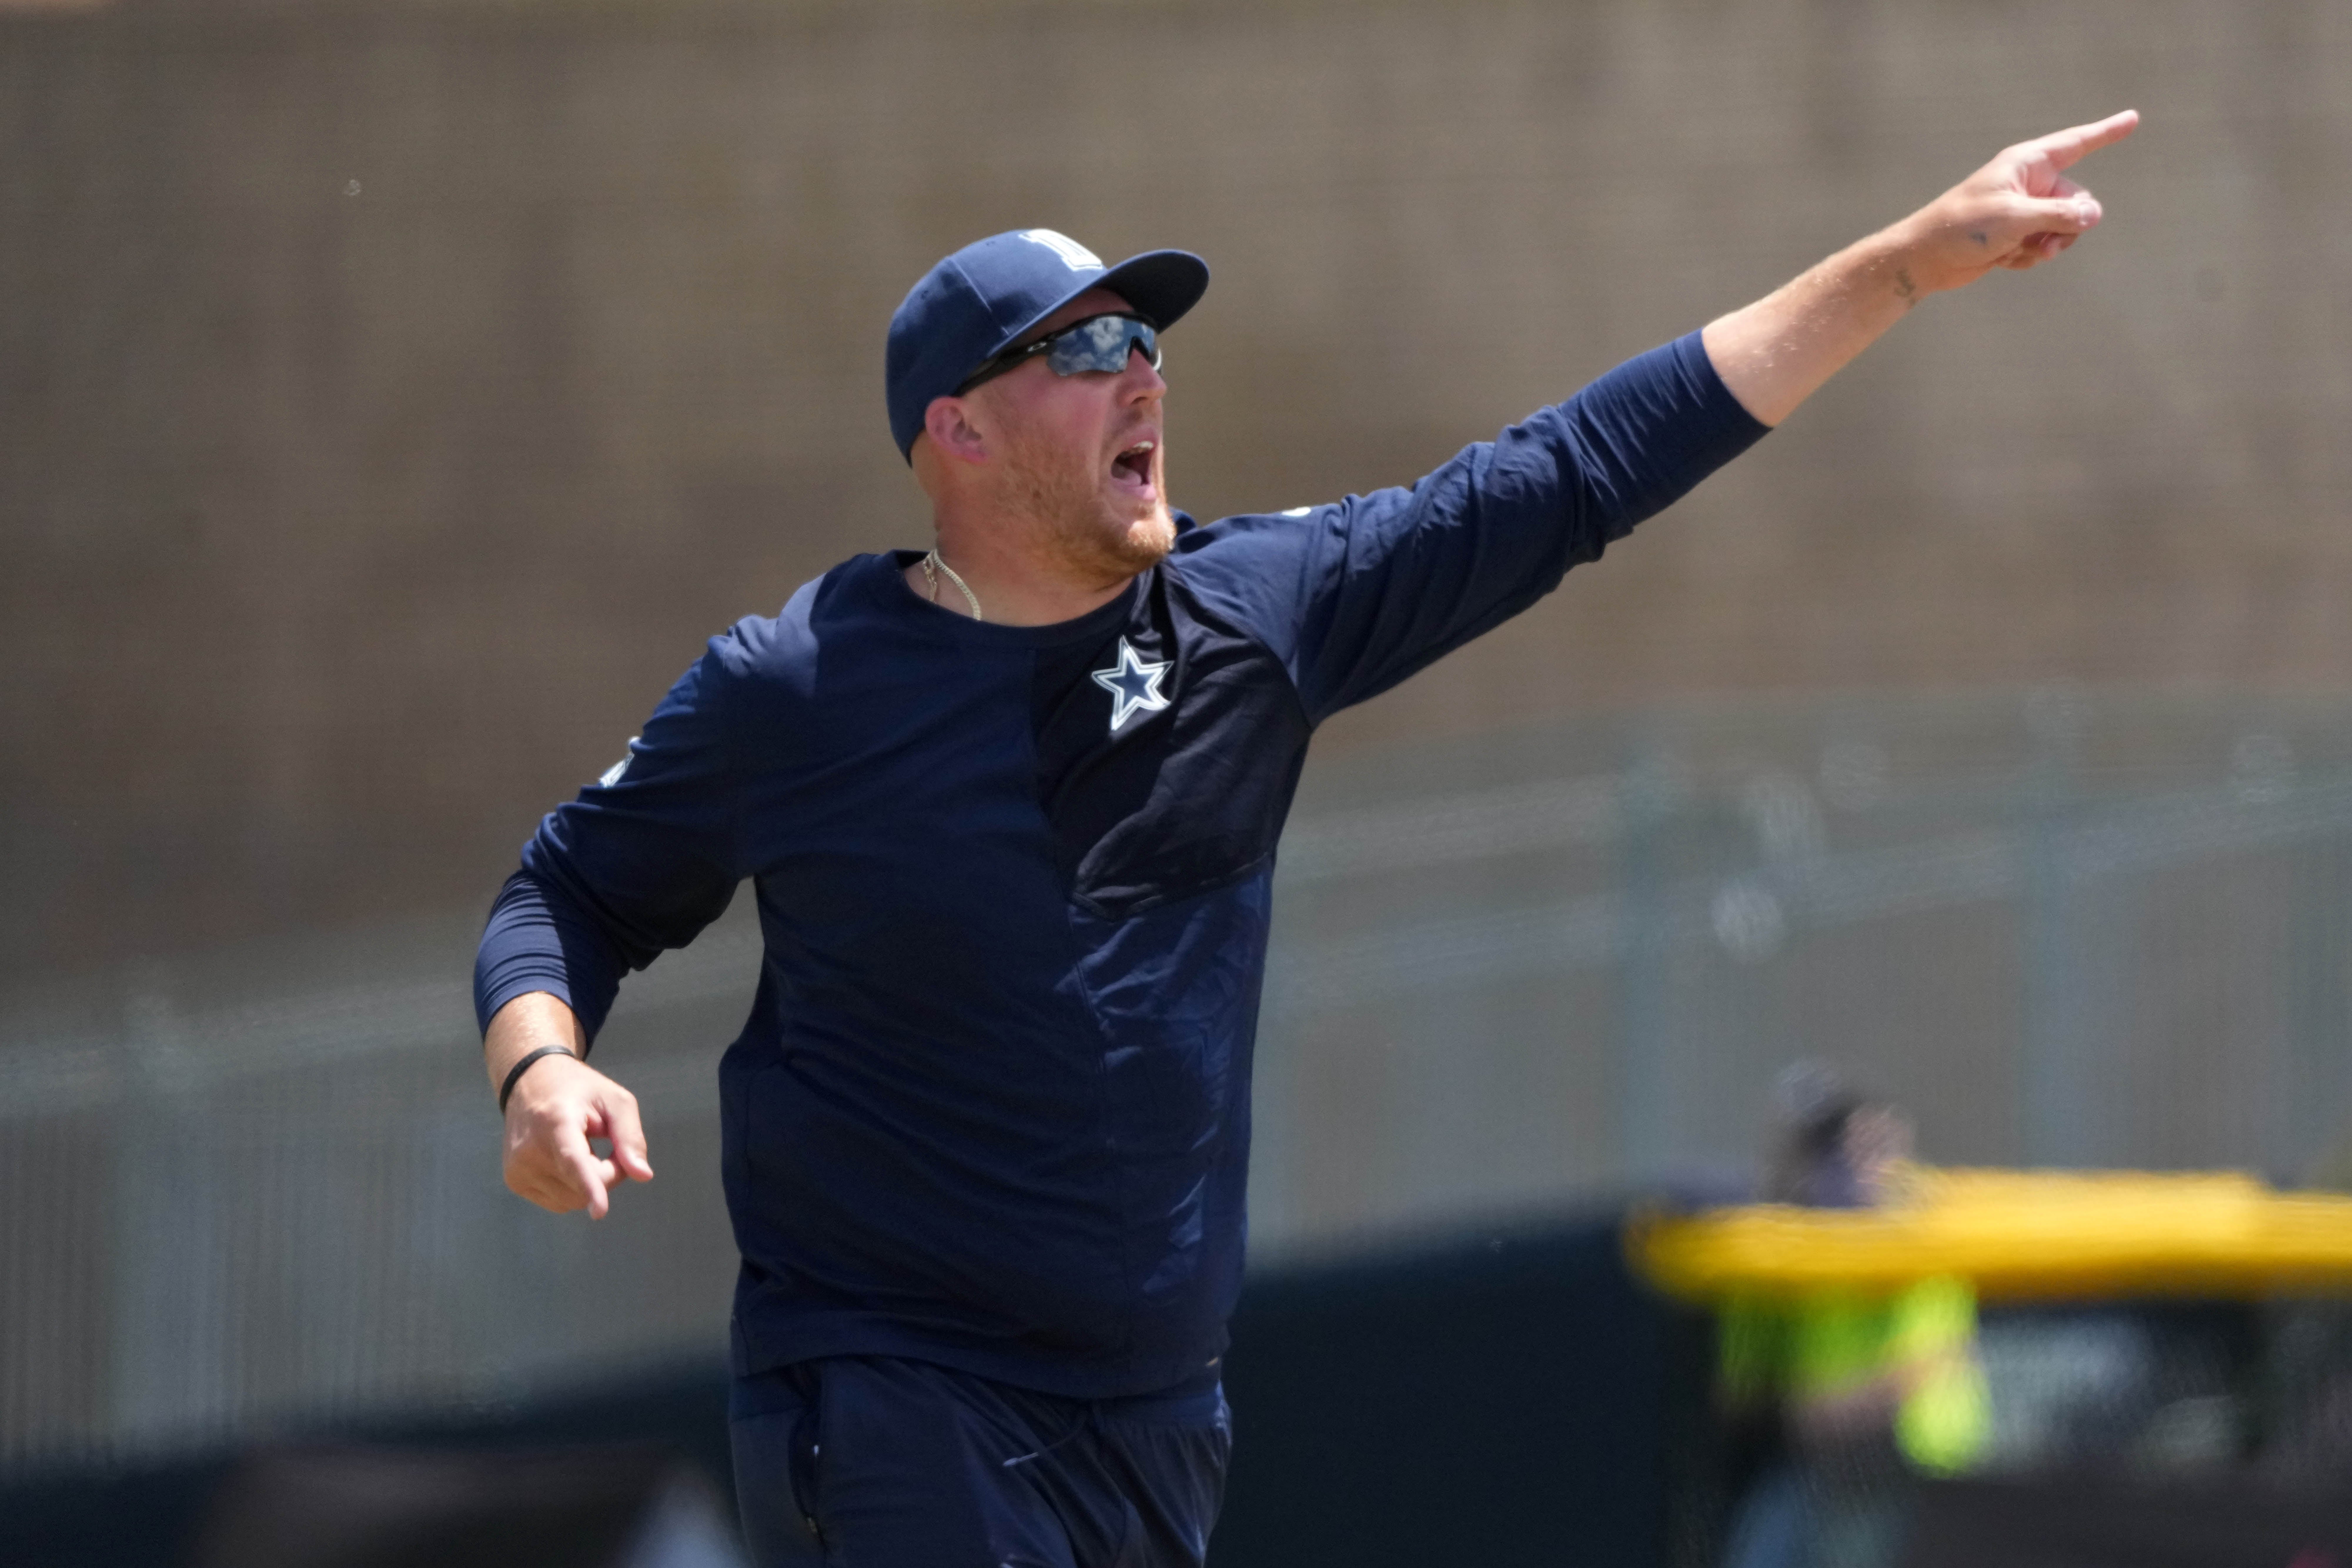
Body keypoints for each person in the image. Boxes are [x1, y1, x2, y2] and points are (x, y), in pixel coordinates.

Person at [472, 111, 2137, 1567]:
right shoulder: (805, 687)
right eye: (1080, 347)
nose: (1142, 369)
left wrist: (1907, 266)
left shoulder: (1250, 618)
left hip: (1154, 1416)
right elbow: (568, 890)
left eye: (1145, 340)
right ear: (955, 433)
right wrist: (541, 1067)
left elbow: (1575, 472)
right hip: (902, 1396)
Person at [1717, 1067, 1989, 1568]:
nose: (1854, 1161)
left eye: (1868, 1144)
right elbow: (1750, 1393)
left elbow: (1927, 1367)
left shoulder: (1925, 1229)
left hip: (1919, 1472)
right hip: (1819, 1470)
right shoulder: (1783, 1243)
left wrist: (1834, 1406)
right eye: (1825, 1145)